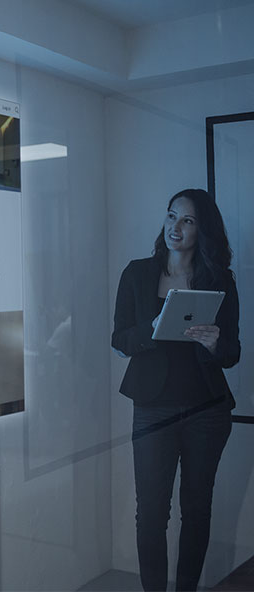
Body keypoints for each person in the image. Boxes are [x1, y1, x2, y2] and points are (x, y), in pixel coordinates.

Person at [112, 189, 240, 592]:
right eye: (171, 217)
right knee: (150, 512)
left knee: (197, 510)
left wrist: (214, 342)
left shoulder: (219, 279)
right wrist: (152, 330)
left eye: (187, 220)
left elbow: (232, 352)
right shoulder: (137, 273)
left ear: (202, 230)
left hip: (208, 409)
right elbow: (119, 339)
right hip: (153, 408)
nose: (176, 227)